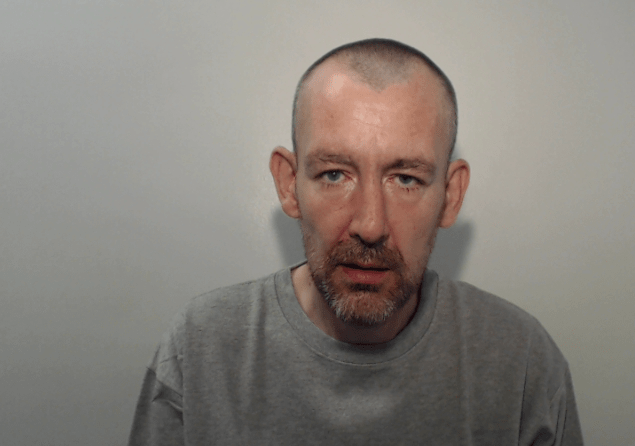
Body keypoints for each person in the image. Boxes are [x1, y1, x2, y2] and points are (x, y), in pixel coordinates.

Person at [128, 39, 584, 445]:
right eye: (334, 174)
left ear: (451, 196)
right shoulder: (200, 348)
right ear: (289, 185)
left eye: (405, 179)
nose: (370, 224)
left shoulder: (522, 364)